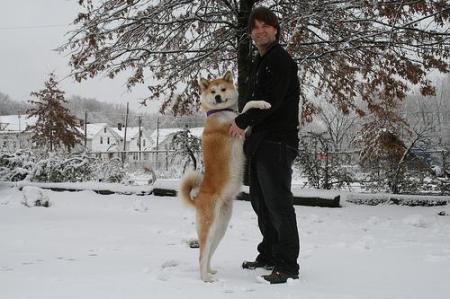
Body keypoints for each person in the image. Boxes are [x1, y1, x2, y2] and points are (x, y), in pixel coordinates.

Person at [229, 6, 300, 284]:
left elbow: (272, 100)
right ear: (250, 33)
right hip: (261, 142)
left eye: (266, 26)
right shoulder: (263, 61)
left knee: (278, 204)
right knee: (261, 202)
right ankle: (269, 254)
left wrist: (243, 120)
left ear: (276, 30)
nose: (260, 31)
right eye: (255, 27)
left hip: (278, 142)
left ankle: (287, 264)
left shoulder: (279, 59)